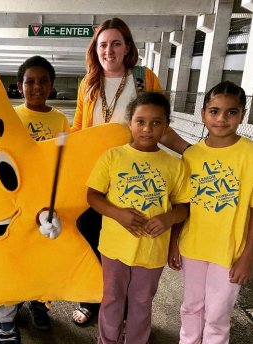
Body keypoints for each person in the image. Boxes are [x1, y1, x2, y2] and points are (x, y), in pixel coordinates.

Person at [70, 17, 190, 327]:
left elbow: (159, 124)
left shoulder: (143, 78)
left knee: (125, 242)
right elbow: (79, 131)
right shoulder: (89, 83)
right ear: (95, 49)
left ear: (127, 47)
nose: (109, 50)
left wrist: (191, 152)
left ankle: (122, 307)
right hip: (95, 175)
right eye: (103, 44)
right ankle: (93, 300)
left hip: (133, 177)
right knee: (90, 239)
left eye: (115, 43)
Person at [88, 92, 188, 344]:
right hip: (114, 247)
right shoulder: (113, 156)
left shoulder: (174, 165)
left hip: (151, 250)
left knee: (142, 304)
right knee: (111, 300)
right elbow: (93, 196)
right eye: (141, 121)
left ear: (166, 126)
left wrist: (168, 219)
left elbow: (183, 207)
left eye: (156, 123)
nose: (147, 128)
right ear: (129, 123)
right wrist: (118, 213)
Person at [165, 81, 253, 344]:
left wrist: (247, 257)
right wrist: (174, 241)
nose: (221, 118)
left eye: (231, 112)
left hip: (230, 250)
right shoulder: (192, 156)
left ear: (242, 115)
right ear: (203, 114)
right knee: (192, 305)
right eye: (214, 111)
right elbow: (184, 205)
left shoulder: (250, 155)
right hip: (194, 246)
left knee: (218, 312)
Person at [14, 55, 69, 331]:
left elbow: (66, 158)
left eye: (43, 81)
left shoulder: (60, 120)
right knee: (19, 250)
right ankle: (14, 299)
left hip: (48, 199)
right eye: (30, 81)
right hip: (18, 197)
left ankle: (40, 302)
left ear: (52, 85)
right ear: (20, 85)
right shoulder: (11, 116)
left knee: (45, 253)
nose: (37, 87)